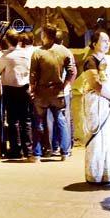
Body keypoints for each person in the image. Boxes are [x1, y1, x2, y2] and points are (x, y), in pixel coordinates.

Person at [30, 24, 76, 161]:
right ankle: (65, 152)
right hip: (58, 93)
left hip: (41, 93)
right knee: (61, 120)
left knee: (38, 123)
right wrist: (65, 84)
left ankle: (37, 154)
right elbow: (72, 71)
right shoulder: (64, 51)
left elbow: (33, 74)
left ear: (45, 35)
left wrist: (32, 89)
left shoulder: (38, 53)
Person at [82, 31, 110, 184]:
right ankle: (95, 175)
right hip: (98, 104)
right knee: (98, 140)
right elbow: (96, 85)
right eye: (103, 41)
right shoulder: (90, 61)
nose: (107, 43)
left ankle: (109, 174)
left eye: (108, 41)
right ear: (94, 44)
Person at [0, 29, 34, 161]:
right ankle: (28, 150)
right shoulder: (26, 54)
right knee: (26, 120)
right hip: (24, 88)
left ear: (7, 41)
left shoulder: (6, 56)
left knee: (13, 120)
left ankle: (15, 149)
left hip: (10, 89)